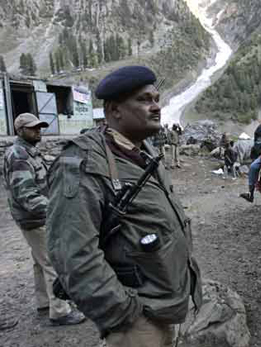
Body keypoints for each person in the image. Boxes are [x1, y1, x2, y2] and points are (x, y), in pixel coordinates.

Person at [46, 66, 202, 347]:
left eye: (156, 98)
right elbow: (73, 255)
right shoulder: (81, 162)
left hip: (167, 306)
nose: (156, 107)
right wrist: (125, 314)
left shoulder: (145, 151)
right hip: (137, 322)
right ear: (114, 110)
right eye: (144, 100)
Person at [2, 113, 85, 326]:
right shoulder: (19, 155)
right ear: (20, 131)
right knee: (52, 261)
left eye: (40, 127)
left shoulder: (28, 152)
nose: (38, 131)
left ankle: (44, 302)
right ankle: (60, 311)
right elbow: (26, 195)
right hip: (35, 218)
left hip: (34, 217)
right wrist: (57, 209)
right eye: (33, 128)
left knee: (40, 262)